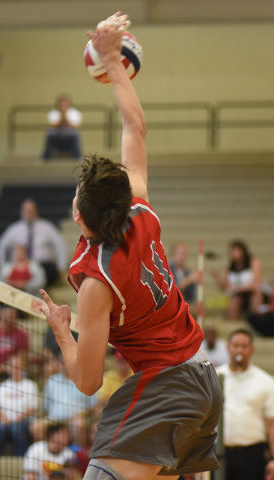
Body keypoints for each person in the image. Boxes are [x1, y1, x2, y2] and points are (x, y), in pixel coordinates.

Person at [39, 12, 222, 480]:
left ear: (80, 216)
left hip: (168, 385)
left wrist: (62, 329)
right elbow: (135, 128)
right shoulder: (138, 211)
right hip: (203, 380)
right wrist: (113, 62)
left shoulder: (95, 280)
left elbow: (88, 381)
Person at [216, 329, 274, 480]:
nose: (239, 350)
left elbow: (272, 424)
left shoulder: (265, 382)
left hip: (251, 455)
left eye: (244, 346)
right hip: (219, 453)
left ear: (252, 349)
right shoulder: (214, 377)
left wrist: (273, 459)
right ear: (228, 347)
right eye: (235, 345)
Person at [0, 199, 68, 287]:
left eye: (30, 210)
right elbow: (1, 247)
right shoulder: (14, 229)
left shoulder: (47, 227)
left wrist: (61, 266)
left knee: (44, 273)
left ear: (36, 211)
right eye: (26, 210)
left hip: (43, 265)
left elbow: (60, 245)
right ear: (22, 212)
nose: (28, 213)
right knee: (6, 275)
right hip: (19, 266)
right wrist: (3, 268)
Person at [30, 354, 98, 443]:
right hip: (54, 420)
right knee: (36, 426)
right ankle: (42, 453)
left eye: (68, 363)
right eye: (62, 363)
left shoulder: (85, 379)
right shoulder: (51, 381)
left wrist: (82, 414)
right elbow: (45, 409)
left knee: (80, 424)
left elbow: (94, 406)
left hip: (75, 419)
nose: (65, 366)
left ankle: (78, 454)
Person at [0, 355, 39, 456]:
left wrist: (19, 418)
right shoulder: (2, 387)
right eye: (12, 366)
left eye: (18, 366)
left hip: (24, 422)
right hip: (5, 422)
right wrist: (5, 418)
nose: (15, 369)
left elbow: (32, 408)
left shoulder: (31, 386)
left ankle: (23, 457)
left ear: (23, 368)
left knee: (16, 428)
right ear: (8, 369)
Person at [210, 240, 265, 320]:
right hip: (239, 295)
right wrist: (217, 276)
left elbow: (256, 283)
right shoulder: (231, 266)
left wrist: (238, 288)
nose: (234, 253)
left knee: (256, 295)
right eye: (232, 251)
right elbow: (225, 287)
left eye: (236, 251)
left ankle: (257, 320)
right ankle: (231, 321)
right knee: (236, 298)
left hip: (255, 292)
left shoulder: (253, 261)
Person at [42, 95, 83, 161]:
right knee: (50, 134)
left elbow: (74, 126)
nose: (63, 106)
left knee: (75, 134)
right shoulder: (53, 113)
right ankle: (46, 157)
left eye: (65, 104)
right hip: (57, 137)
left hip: (69, 138)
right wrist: (62, 116)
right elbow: (53, 126)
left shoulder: (75, 113)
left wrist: (65, 116)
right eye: (61, 104)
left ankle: (78, 157)